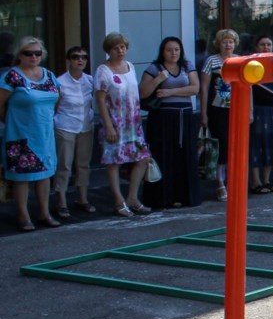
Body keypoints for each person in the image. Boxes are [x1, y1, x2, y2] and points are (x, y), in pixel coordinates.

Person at [1, 36, 61, 231]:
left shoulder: (50, 75)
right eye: (28, 53)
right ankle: (23, 215)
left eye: (37, 53)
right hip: (20, 133)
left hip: (44, 133)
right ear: (19, 55)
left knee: (44, 174)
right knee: (23, 177)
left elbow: (57, 100)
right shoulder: (12, 76)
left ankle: (44, 213)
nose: (33, 57)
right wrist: (10, 121)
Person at [139, 36, 201, 208]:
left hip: (185, 117)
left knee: (185, 155)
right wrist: (158, 80)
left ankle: (184, 196)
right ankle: (163, 198)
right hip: (163, 119)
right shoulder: (154, 68)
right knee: (164, 155)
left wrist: (168, 92)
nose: (173, 53)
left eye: (176, 49)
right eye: (169, 50)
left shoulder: (187, 66)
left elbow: (195, 88)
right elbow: (143, 92)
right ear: (162, 52)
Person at [95, 32, 151, 217]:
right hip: (115, 121)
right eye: (116, 48)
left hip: (133, 122)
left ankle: (132, 198)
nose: (120, 51)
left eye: (123, 47)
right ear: (109, 50)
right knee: (114, 162)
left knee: (142, 158)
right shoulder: (103, 70)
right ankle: (118, 201)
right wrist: (108, 125)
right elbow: (100, 100)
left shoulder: (130, 66)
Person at [53, 46, 95, 217]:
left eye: (84, 57)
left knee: (83, 164)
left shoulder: (90, 80)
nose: (80, 60)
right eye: (75, 57)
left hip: (86, 125)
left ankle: (82, 198)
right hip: (65, 126)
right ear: (69, 60)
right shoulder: (60, 82)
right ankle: (61, 200)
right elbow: (54, 106)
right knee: (64, 165)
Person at [200, 28, 238, 202]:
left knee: (234, 146)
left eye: (231, 41)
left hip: (237, 109)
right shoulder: (211, 61)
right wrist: (203, 113)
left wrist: (250, 111)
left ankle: (234, 181)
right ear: (218, 44)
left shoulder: (239, 60)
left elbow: (248, 87)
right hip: (217, 109)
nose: (228, 44)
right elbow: (204, 88)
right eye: (224, 41)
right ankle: (220, 183)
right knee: (220, 146)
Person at [247, 35, 273, 193]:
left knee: (272, 144)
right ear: (257, 47)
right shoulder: (252, 63)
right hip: (258, 108)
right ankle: (255, 182)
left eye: (269, 44)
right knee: (257, 145)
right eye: (262, 44)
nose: (266, 47)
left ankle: (266, 180)